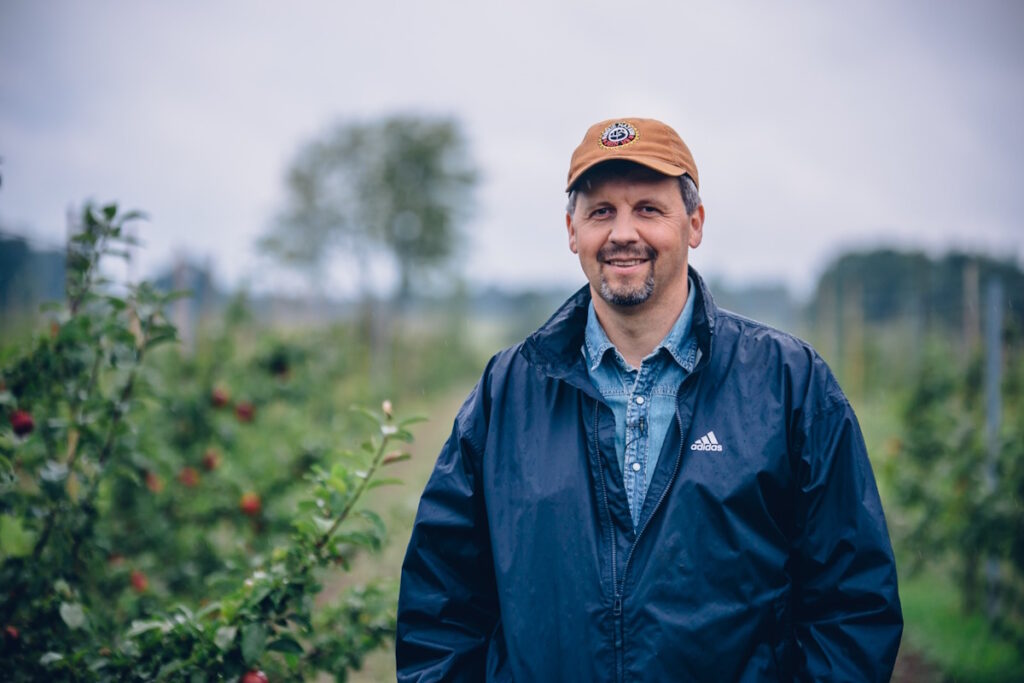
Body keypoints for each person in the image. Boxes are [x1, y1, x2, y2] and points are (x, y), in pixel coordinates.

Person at [396, 118, 902, 681]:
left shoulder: (789, 385)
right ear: (572, 230)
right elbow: (440, 607)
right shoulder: (507, 393)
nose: (623, 233)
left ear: (694, 223)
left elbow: (852, 606)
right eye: (600, 211)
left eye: (648, 209)